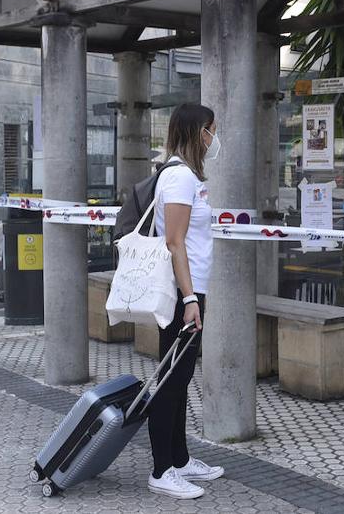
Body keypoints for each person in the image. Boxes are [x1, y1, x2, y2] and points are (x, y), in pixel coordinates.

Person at [147, 103, 225, 499]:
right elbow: (174, 242)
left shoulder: (187, 177)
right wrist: (191, 298)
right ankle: (162, 469)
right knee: (170, 382)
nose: (215, 138)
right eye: (212, 130)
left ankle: (179, 459)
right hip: (183, 293)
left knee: (180, 377)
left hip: (190, 291)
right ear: (198, 132)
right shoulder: (178, 178)